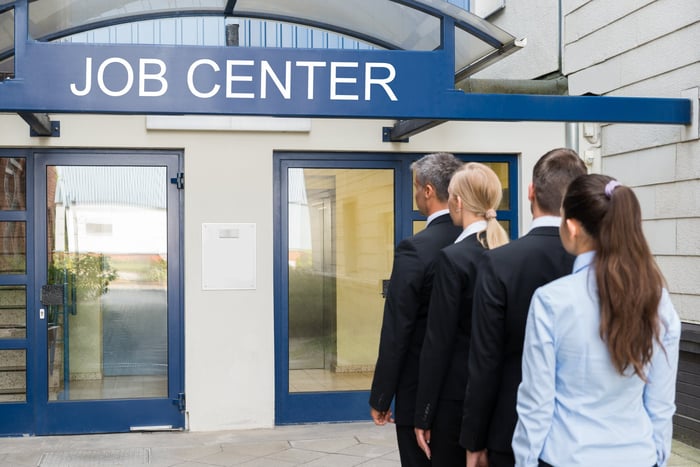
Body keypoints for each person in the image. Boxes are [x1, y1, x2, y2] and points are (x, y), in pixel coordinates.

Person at [512, 174, 681, 466]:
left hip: (568, 456)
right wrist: (657, 456)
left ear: (573, 227)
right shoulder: (657, 300)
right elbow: (661, 404)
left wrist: (524, 461)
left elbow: (536, 405)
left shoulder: (551, 300)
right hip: (638, 456)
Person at [460, 148, 587, 467]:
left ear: (531, 192)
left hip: (512, 428)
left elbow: (485, 359)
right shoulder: (606, 265)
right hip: (589, 435)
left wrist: (474, 439)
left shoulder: (500, 263)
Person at [370, 152, 464, 467]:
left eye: (415, 186)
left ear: (427, 191)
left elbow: (398, 328)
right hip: (470, 392)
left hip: (420, 391)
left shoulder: (415, 248)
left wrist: (382, 397)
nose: (414, 193)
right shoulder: (484, 243)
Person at [414, 163, 510, 465]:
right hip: (500, 399)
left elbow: (438, 342)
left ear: (456, 202)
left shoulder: (452, 259)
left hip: (456, 403)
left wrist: (423, 414)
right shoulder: (508, 252)